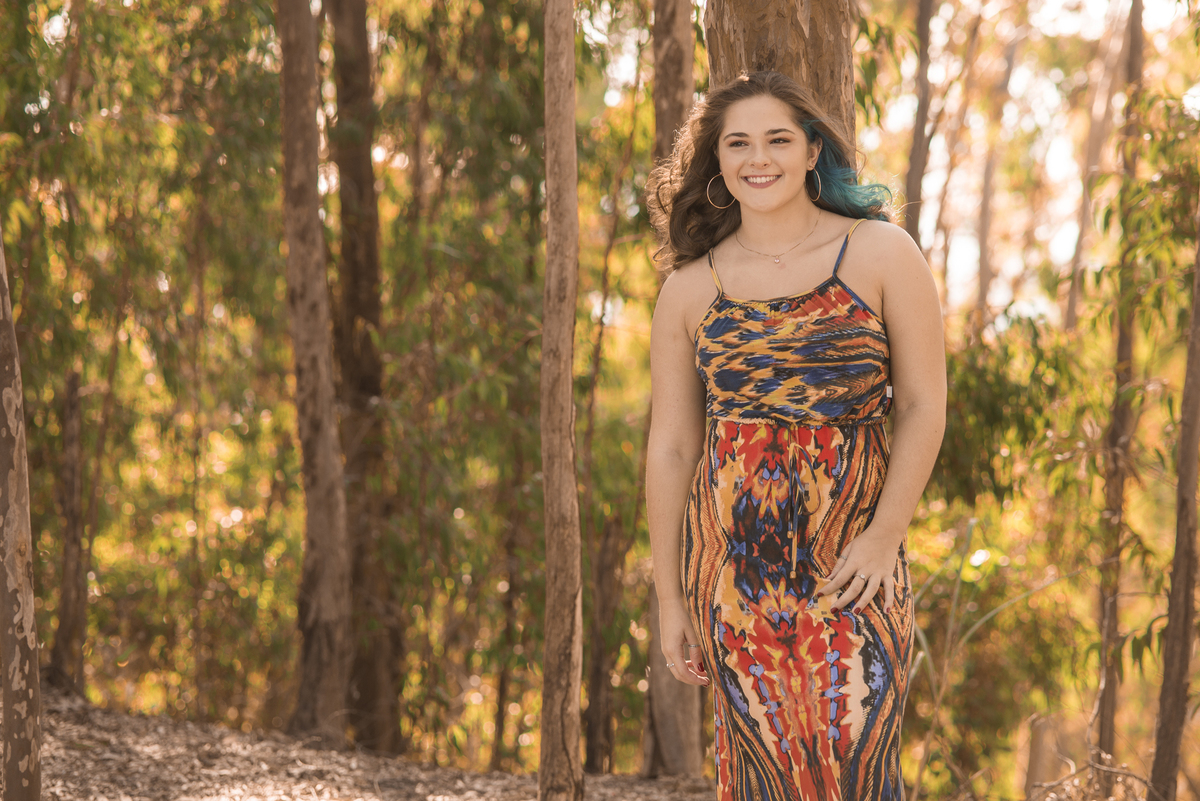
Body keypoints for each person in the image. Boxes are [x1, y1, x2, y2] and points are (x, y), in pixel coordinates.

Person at [645, 71, 946, 800]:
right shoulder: (690, 288)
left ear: (814, 149)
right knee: (759, 778)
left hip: (854, 568)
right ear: (717, 161)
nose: (759, 157)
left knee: (860, 766)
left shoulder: (880, 253)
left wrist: (883, 535)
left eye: (778, 139)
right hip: (736, 580)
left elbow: (923, 405)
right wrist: (672, 597)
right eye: (738, 142)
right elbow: (674, 446)